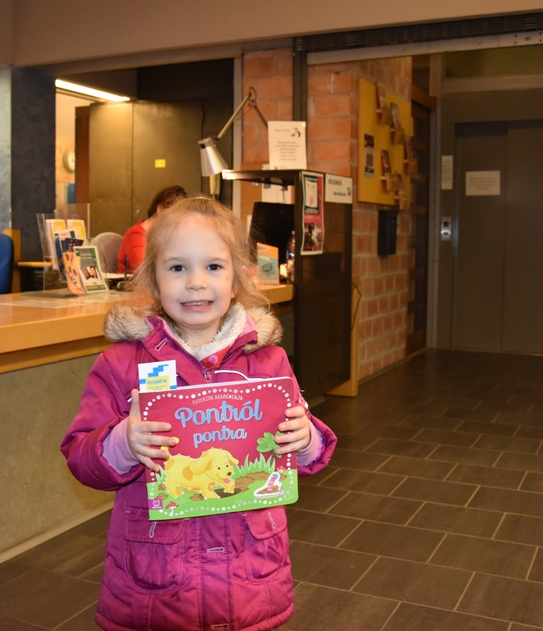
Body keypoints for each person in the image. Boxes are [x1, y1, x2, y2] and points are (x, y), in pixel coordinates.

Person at [61, 197, 337, 631]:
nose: (195, 282)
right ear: (153, 278)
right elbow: (80, 455)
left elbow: (304, 448)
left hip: (249, 571)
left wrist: (305, 440)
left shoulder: (268, 361)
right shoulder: (120, 364)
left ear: (237, 278)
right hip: (157, 578)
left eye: (213, 266)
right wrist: (123, 442)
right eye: (177, 267)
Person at [116, 184, 187, 274]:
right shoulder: (135, 235)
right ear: (160, 209)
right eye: (175, 214)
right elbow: (145, 269)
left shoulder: (167, 235)